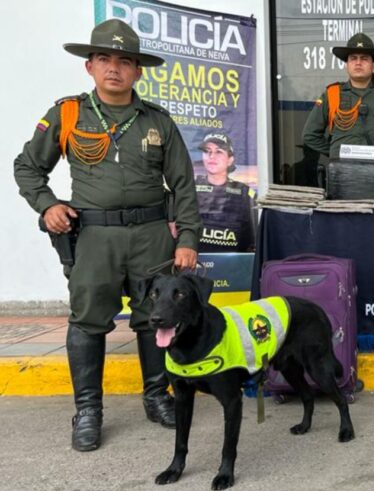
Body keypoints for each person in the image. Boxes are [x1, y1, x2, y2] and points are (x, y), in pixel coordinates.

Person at [13, 19, 201, 452]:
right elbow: (28, 167)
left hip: (153, 234)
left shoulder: (157, 121)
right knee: (88, 320)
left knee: (153, 318)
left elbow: (184, 185)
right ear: (89, 67)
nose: (113, 68)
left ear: (138, 71)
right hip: (95, 237)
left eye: (124, 61)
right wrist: (48, 205)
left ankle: (157, 397)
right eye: (103, 59)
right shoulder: (68, 113)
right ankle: (89, 411)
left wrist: (187, 237)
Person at [302, 33, 374, 161]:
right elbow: (310, 135)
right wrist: (336, 152)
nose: (358, 63)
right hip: (341, 171)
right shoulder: (332, 94)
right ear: (346, 66)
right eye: (353, 58)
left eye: (364, 58)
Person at [195, 132, 255, 252]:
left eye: (219, 152)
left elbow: (252, 240)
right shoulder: (190, 188)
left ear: (230, 160)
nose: (212, 156)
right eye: (207, 151)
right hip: (196, 266)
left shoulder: (245, 193)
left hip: (234, 266)